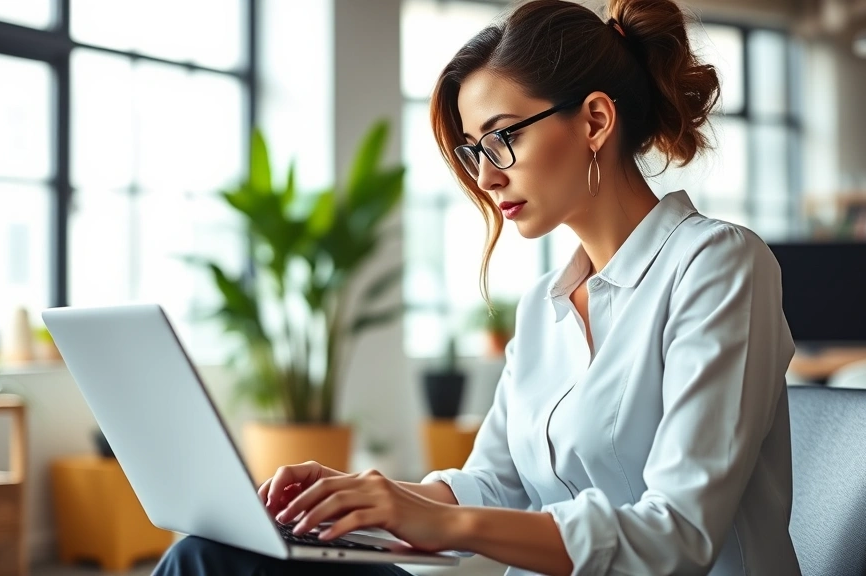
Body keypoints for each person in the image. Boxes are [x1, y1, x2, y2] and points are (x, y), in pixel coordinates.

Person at [154, 0, 802, 574]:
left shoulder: (718, 265)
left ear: (595, 122)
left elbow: (677, 538)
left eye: (500, 139)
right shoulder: (544, 304)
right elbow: (497, 482)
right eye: (473, 150)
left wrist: (446, 523)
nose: (486, 178)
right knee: (210, 555)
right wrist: (374, 498)